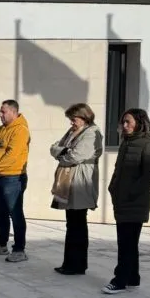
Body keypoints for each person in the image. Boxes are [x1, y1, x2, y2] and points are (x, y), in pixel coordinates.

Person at [102, 109, 150, 294]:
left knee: (126, 243)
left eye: (128, 122)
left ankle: (119, 280)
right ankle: (132, 277)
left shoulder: (148, 145)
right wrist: (113, 188)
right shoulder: (126, 143)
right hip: (122, 200)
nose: (124, 126)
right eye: (123, 122)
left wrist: (130, 193)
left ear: (139, 122)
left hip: (135, 202)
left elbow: (149, 175)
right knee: (129, 242)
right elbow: (118, 171)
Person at [50, 103, 103, 276]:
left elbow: (76, 155)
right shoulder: (73, 132)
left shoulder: (91, 133)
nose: (71, 123)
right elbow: (55, 146)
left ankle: (77, 264)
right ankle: (70, 262)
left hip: (81, 181)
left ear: (84, 117)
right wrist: (64, 152)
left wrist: (63, 154)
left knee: (77, 224)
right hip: (69, 180)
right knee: (72, 223)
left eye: (74, 119)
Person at [0, 100, 31, 262]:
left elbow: (13, 154)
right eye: (0, 111)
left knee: (15, 213)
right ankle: (1, 244)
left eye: (3, 112)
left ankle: (19, 249)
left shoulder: (20, 130)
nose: (0, 115)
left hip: (13, 178)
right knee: (1, 213)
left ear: (13, 112)